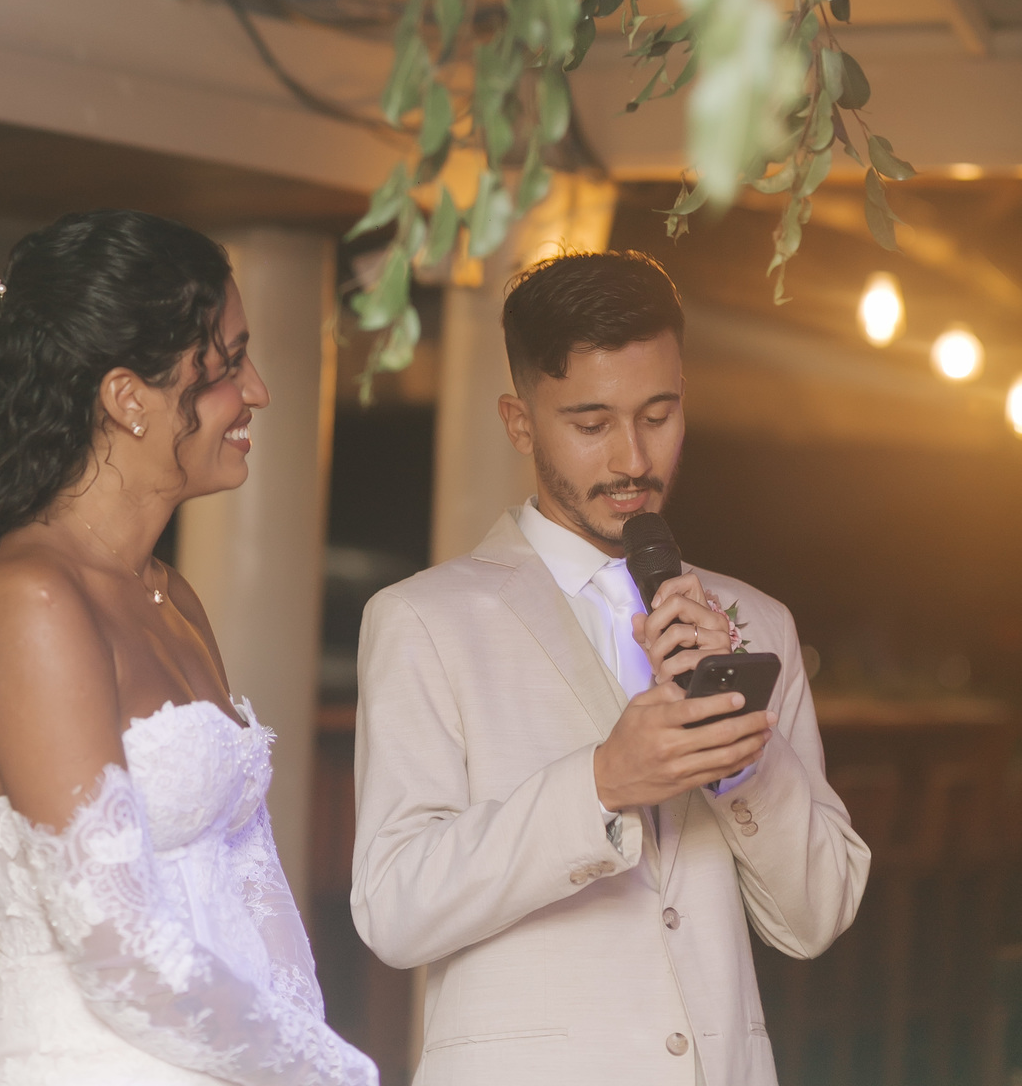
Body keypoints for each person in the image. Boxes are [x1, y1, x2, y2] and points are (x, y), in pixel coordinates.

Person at [0, 209, 376, 1086]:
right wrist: (334, 1073)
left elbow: (253, 879)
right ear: (126, 397)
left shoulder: (170, 596)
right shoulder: (25, 602)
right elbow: (115, 951)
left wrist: (314, 1052)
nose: (258, 391)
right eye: (226, 365)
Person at [351, 249, 869, 1086]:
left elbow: (818, 917)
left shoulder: (756, 622)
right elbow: (394, 909)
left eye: (658, 416)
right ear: (520, 423)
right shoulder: (423, 620)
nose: (633, 459)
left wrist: (743, 755)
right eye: (591, 426)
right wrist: (600, 783)